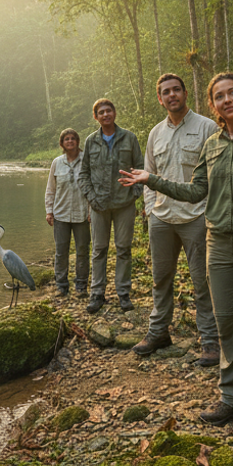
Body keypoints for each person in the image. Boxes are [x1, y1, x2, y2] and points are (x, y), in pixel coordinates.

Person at [120, 74, 233, 439]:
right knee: (227, 325)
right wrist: (151, 180)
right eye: (220, 96)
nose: (227, 100)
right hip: (218, 245)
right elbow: (195, 191)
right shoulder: (211, 145)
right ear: (213, 104)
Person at [133, 74, 221, 366]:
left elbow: (215, 176)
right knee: (161, 279)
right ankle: (158, 332)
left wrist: (210, 213)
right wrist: (150, 210)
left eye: (176, 90)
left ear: (185, 93)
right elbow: (148, 173)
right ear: (159, 99)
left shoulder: (207, 127)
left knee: (202, 282)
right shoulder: (156, 133)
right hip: (162, 217)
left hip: (196, 217)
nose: (171, 96)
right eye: (165, 92)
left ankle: (210, 342)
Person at [78, 98, 144, 314]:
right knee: (99, 250)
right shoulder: (90, 141)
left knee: (124, 249)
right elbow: (84, 174)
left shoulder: (129, 138)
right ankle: (97, 294)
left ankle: (123, 294)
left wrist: (135, 193)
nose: (105, 114)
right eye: (101, 112)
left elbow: (140, 168)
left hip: (124, 204)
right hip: (99, 205)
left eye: (109, 110)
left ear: (114, 113)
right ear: (95, 117)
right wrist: (91, 197)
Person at [45, 128, 90, 298]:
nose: (70, 141)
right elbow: (51, 189)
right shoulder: (57, 163)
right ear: (62, 143)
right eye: (66, 139)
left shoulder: (87, 160)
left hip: (82, 214)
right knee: (61, 251)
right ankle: (61, 286)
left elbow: (92, 188)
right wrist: (49, 211)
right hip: (60, 214)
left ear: (78, 141)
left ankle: (81, 286)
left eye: (73, 138)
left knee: (82, 251)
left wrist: (91, 211)